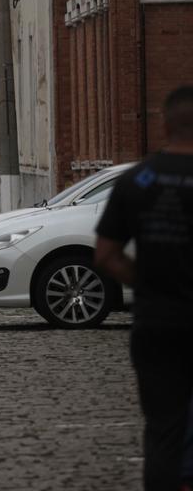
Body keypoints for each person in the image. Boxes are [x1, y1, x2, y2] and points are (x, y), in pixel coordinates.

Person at [95, 86, 193, 491]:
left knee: (163, 428)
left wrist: (149, 282)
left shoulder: (137, 181)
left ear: (165, 124)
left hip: (157, 320)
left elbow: (106, 255)